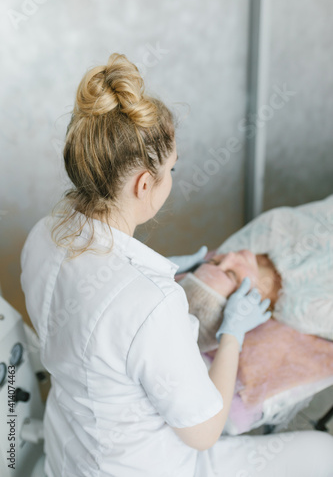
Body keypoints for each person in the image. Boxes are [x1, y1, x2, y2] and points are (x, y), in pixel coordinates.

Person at [20, 53, 333, 477]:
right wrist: (232, 335)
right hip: (141, 467)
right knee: (322, 454)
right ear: (143, 184)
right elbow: (203, 433)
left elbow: (90, 316)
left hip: (68, 455)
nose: (172, 179)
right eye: (171, 170)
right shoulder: (152, 304)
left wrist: (161, 268)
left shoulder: (43, 234)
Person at [179, 194, 333, 352]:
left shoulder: (241, 245)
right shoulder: (305, 311)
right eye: (231, 274)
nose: (230, 257)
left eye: (214, 262)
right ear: (243, 304)